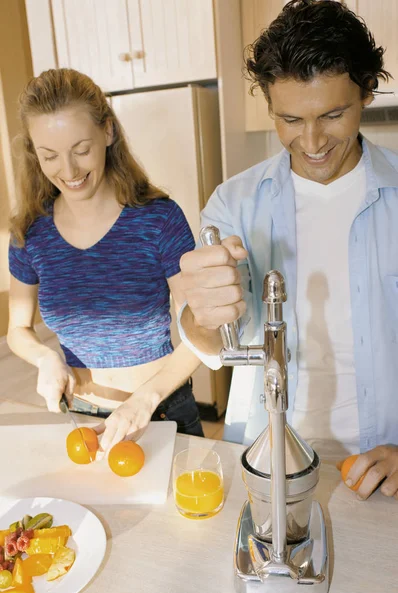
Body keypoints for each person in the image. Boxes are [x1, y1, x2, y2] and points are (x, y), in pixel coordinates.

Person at [178, 0, 398, 500]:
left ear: (366, 91)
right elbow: (211, 347)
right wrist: (203, 316)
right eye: (291, 119)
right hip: (266, 457)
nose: (313, 140)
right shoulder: (232, 204)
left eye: (333, 114)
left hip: (383, 467)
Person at [7, 68, 204, 455]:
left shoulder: (158, 219)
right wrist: (45, 358)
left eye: (81, 149)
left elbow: (203, 334)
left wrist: (145, 399)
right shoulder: (31, 233)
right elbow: (17, 329)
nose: (69, 171)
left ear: (108, 132)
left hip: (161, 412)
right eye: (50, 156)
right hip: (82, 417)